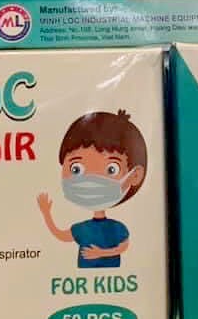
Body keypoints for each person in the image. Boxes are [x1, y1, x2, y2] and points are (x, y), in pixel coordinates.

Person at [37, 109, 147, 268]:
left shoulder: (117, 228)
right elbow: (60, 235)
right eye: (76, 169)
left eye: (111, 169)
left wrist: (102, 253)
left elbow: (124, 247)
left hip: (112, 279)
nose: (91, 180)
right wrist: (46, 213)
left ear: (135, 175)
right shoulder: (82, 229)